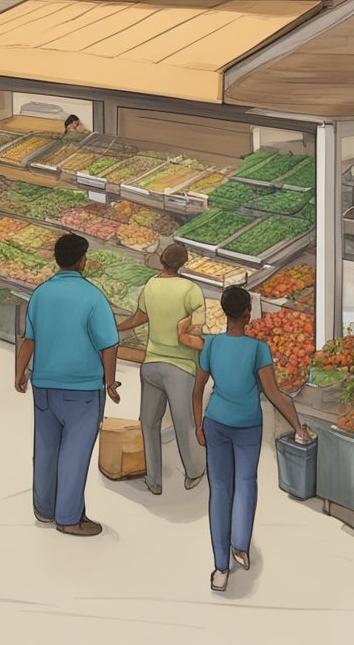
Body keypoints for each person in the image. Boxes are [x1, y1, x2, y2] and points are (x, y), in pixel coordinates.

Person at [178, 286, 311, 592]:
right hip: (248, 426)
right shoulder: (258, 349)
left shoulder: (210, 345)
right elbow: (275, 395)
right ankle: (240, 545)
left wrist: (199, 426)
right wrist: (298, 427)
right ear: (248, 314)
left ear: (225, 312)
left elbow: (197, 391)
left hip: (215, 424)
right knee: (246, 484)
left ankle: (220, 568)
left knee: (220, 491)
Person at [15, 233, 121, 538]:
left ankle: (44, 508)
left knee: (46, 447)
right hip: (83, 389)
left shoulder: (42, 293)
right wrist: (110, 382)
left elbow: (29, 338)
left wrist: (20, 372)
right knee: (75, 452)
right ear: (82, 261)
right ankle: (69, 517)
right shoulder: (93, 297)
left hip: (44, 384)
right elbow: (109, 345)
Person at [116, 242, 206, 495]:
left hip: (151, 364)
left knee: (149, 422)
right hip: (180, 367)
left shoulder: (151, 286)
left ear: (162, 261)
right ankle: (193, 472)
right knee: (184, 422)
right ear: (184, 263)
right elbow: (196, 331)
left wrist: (115, 329)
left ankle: (153, 480)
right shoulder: (192, 290)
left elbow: (138, 319)